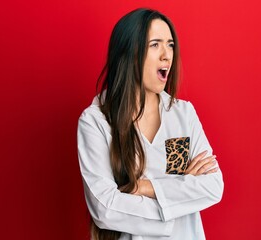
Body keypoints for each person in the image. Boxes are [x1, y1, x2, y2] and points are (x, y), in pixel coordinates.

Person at [77, 8, 224, 240]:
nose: (167, 55)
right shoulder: (95, 121)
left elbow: (213, 187)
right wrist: (178, 199)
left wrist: (145, 188)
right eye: (155, 45)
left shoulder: (182, 113)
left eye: (171, 45)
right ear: (129, 53)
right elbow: (104, 209)